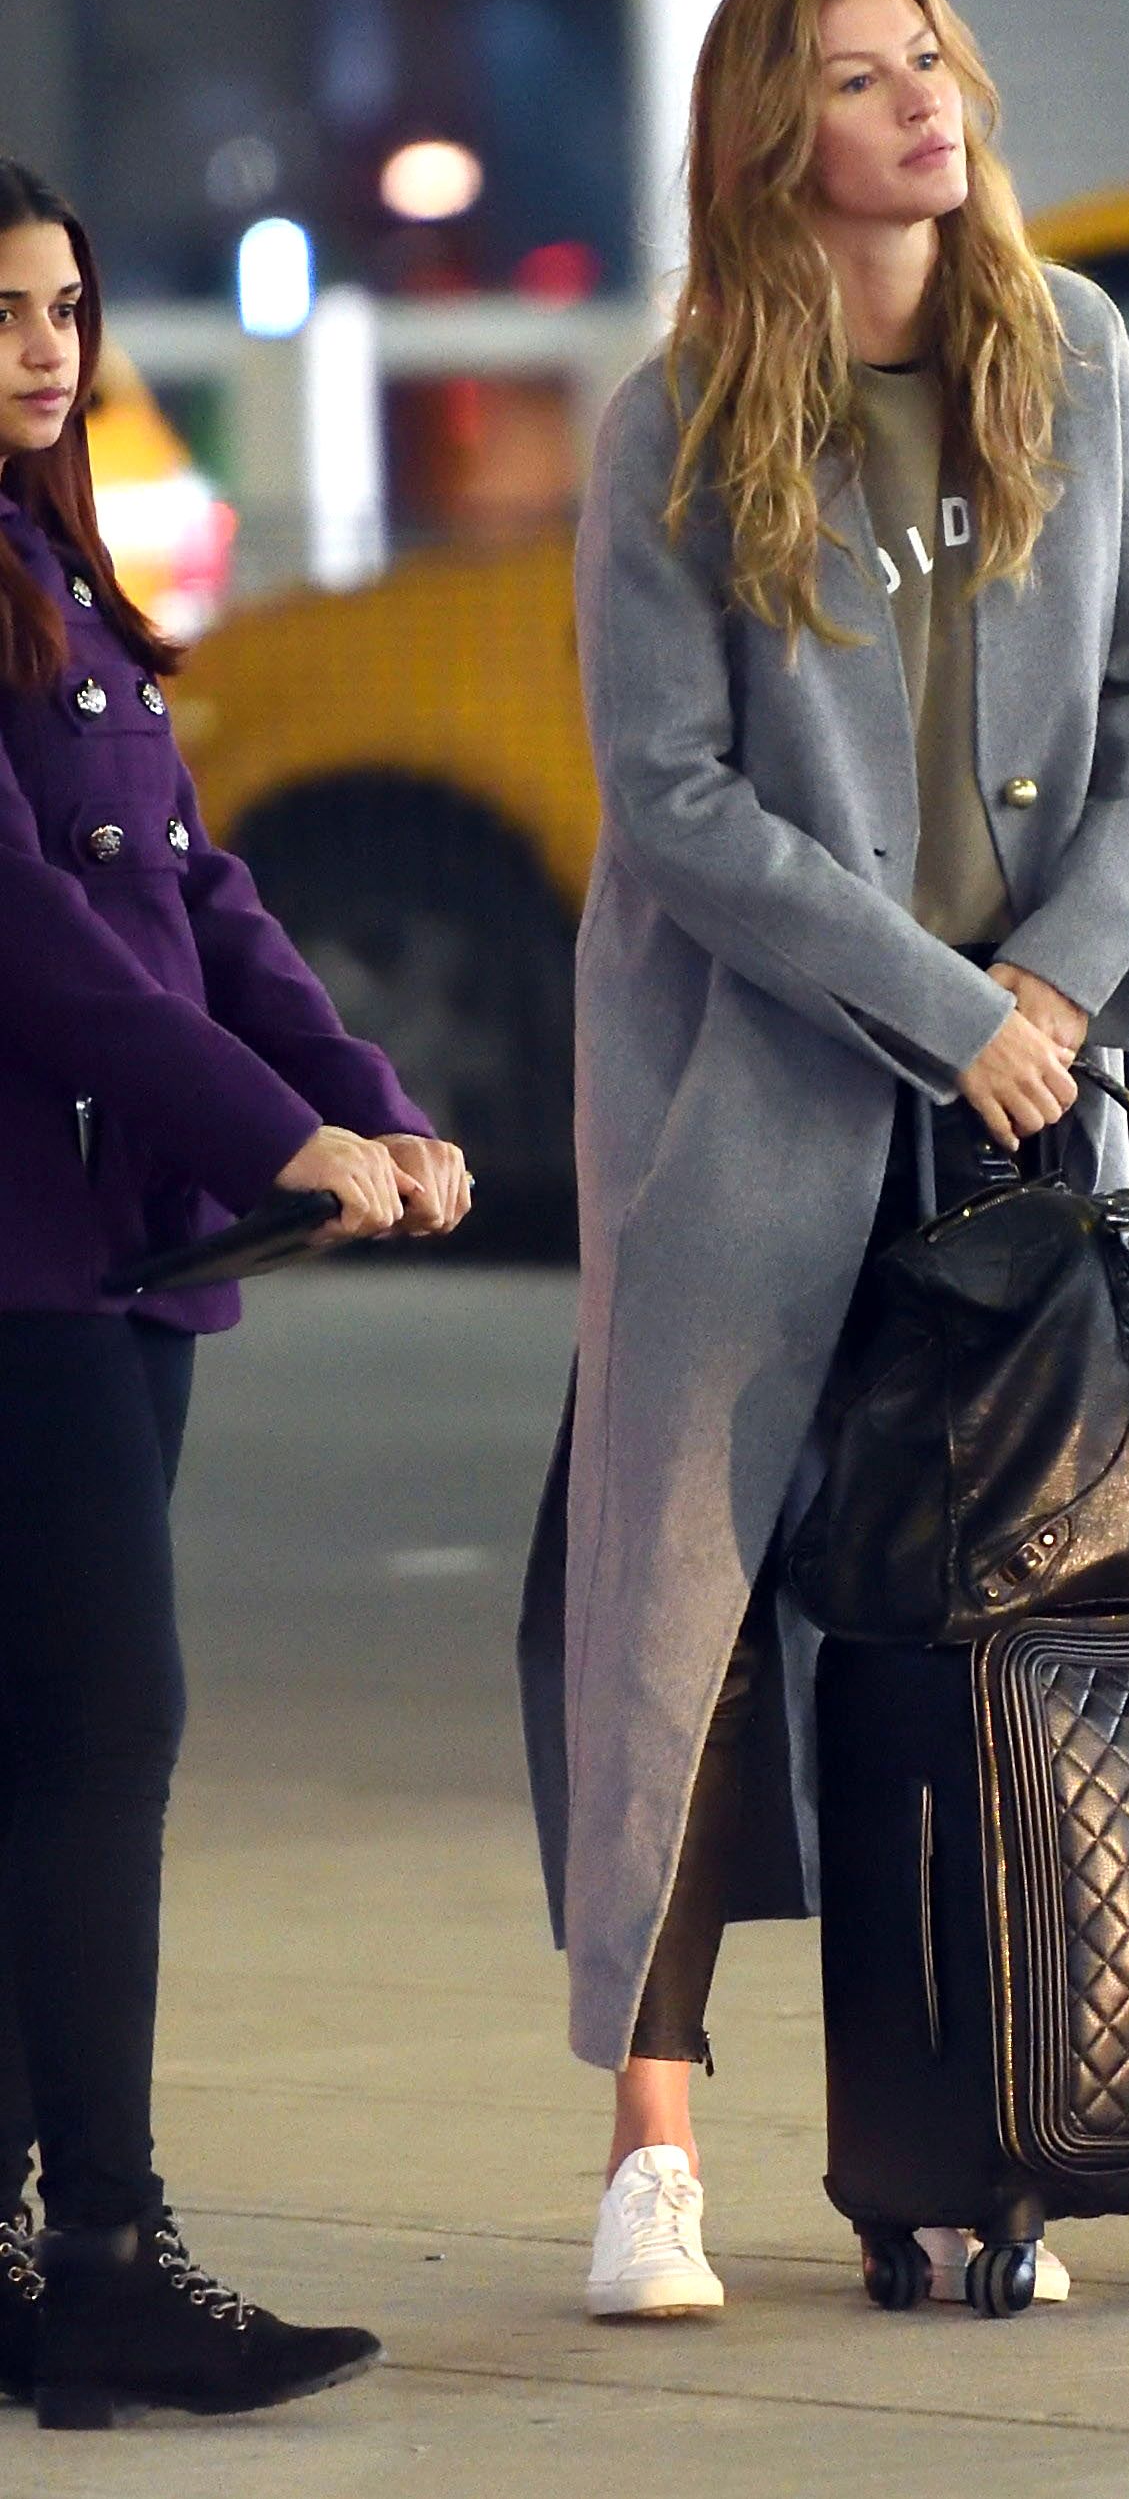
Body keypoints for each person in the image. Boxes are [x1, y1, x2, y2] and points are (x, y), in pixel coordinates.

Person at [517, 0, 1129, 2322]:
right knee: (682, 1618)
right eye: (860, 79)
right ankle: (653, 2154)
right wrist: (942, 1003)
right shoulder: (679, 420)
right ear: (768, 137)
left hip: (1034, 1082)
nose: (926, 108)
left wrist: (1051, 982)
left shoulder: (1077, 347)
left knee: (1012, 1613)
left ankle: (999, 2119)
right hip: (754, 1091)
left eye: (931, 64)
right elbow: (676, 806)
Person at [0, 157, 473, 2427]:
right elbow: (46, 962)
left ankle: (29, 2249)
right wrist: (282, 1142)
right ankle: (96, 2251)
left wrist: (373, 1103)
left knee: (54, 1751)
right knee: (97, 1746)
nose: (43, 348)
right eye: (2, 308)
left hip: (121, 1267)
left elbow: (202, 895)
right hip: (21, 1276)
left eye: (68, 305)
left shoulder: (53, 585)